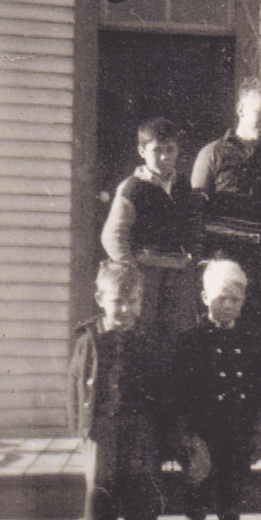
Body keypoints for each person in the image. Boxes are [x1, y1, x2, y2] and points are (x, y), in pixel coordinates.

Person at [67, 260, 163, 520]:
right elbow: (76, 388)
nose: (125, 309)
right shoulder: (89, 340)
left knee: (141, 500)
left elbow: (160, 390)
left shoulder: (148, 340)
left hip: (139, 430)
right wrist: (82, 433)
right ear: (99, 298)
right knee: (100, 502)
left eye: (133, 301)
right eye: (117, 301)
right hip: (102, 430)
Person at [169, 259, 261, 520]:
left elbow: (257, 390)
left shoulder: (251, 342)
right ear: (204, 297)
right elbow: (178, 395)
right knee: (198, 492)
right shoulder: (190, 340)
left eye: (235, 299)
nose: (227, 305)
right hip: (202, 435)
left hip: (236, 433)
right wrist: (184, 436)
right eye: (221, 297)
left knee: (231, 493)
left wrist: (256, 433)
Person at [191, 73, 261, 334]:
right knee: (219, 331)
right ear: (240, 109)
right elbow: (195, 211)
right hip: (222, 258)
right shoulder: (212, 153)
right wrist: (204, 261)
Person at [101, 116, 197, 351]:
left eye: (170, 150)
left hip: (177, 275)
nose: (164, 157)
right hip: (147, 276)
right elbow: (112, 237)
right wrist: (133, 271)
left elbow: (192, 228)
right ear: (142, 151)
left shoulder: (184, 187)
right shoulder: (133, 187)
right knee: (145, 337)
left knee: (176, 339)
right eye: (157, 150)